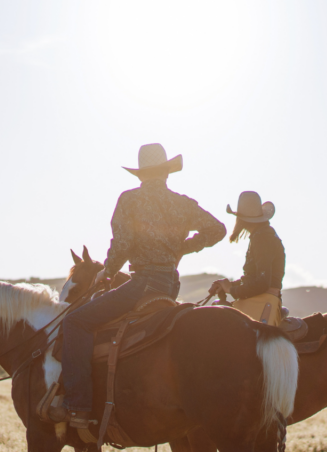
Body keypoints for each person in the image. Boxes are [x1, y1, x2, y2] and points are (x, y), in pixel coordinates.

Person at [51, 143, 226, 427]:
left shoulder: (130, 200)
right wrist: (183, 248)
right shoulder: (182, 203)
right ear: (167, 172)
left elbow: (122, 244)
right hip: (170, 285)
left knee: (75, 323)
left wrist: (106, 272)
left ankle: (78, 406)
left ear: (141, 174)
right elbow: (218, 229)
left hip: (142, 284)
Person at [210, 191, 285, 326]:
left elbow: (262, 283)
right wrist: (230, 285)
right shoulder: (262, 235)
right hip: (262, 299)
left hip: (262, 302)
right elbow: (255, 279)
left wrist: (231, 290)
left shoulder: (262, 238)